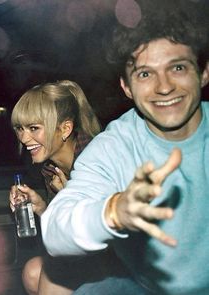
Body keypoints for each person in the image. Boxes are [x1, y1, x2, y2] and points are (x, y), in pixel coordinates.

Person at [41, 1, 209, 294]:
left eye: (178, 67)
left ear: (203, 73)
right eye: (145, 74)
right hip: (145, 286)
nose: (164, 86)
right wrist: (114, 211)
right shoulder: (113, 146)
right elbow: (56, 229)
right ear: (126, 86)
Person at [9, 80, 101, 295]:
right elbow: (63, 233)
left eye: (34, 128)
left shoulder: (95, 158)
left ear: (65, 129)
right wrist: (42, 207)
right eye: (20, 129)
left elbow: (105, 235)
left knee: (54, 273)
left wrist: (71, 197)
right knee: (32, 271)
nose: (23, 138)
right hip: (86, 251)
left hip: (115, 259)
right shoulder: (51, 169)